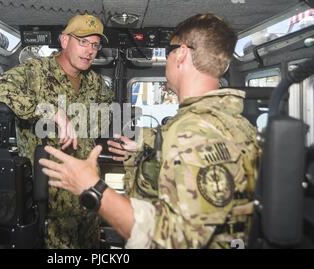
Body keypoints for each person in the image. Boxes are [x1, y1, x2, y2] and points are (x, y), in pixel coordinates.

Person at [39, 13, 260, 248]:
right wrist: (143, 147)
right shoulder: (231, 122)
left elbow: (176, 240)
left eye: (169, 51)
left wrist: (92, 187)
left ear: (182, 53)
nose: (166, 60)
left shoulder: (196, 131)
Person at [0, 14, 113, 248]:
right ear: (64, 41)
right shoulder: (36, 72)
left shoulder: (95, 82)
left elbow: (107, 103)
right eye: (83, 42)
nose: (90, 51)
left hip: (87, 193)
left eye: (95, 45)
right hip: (51, 203)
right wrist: (51, 112)